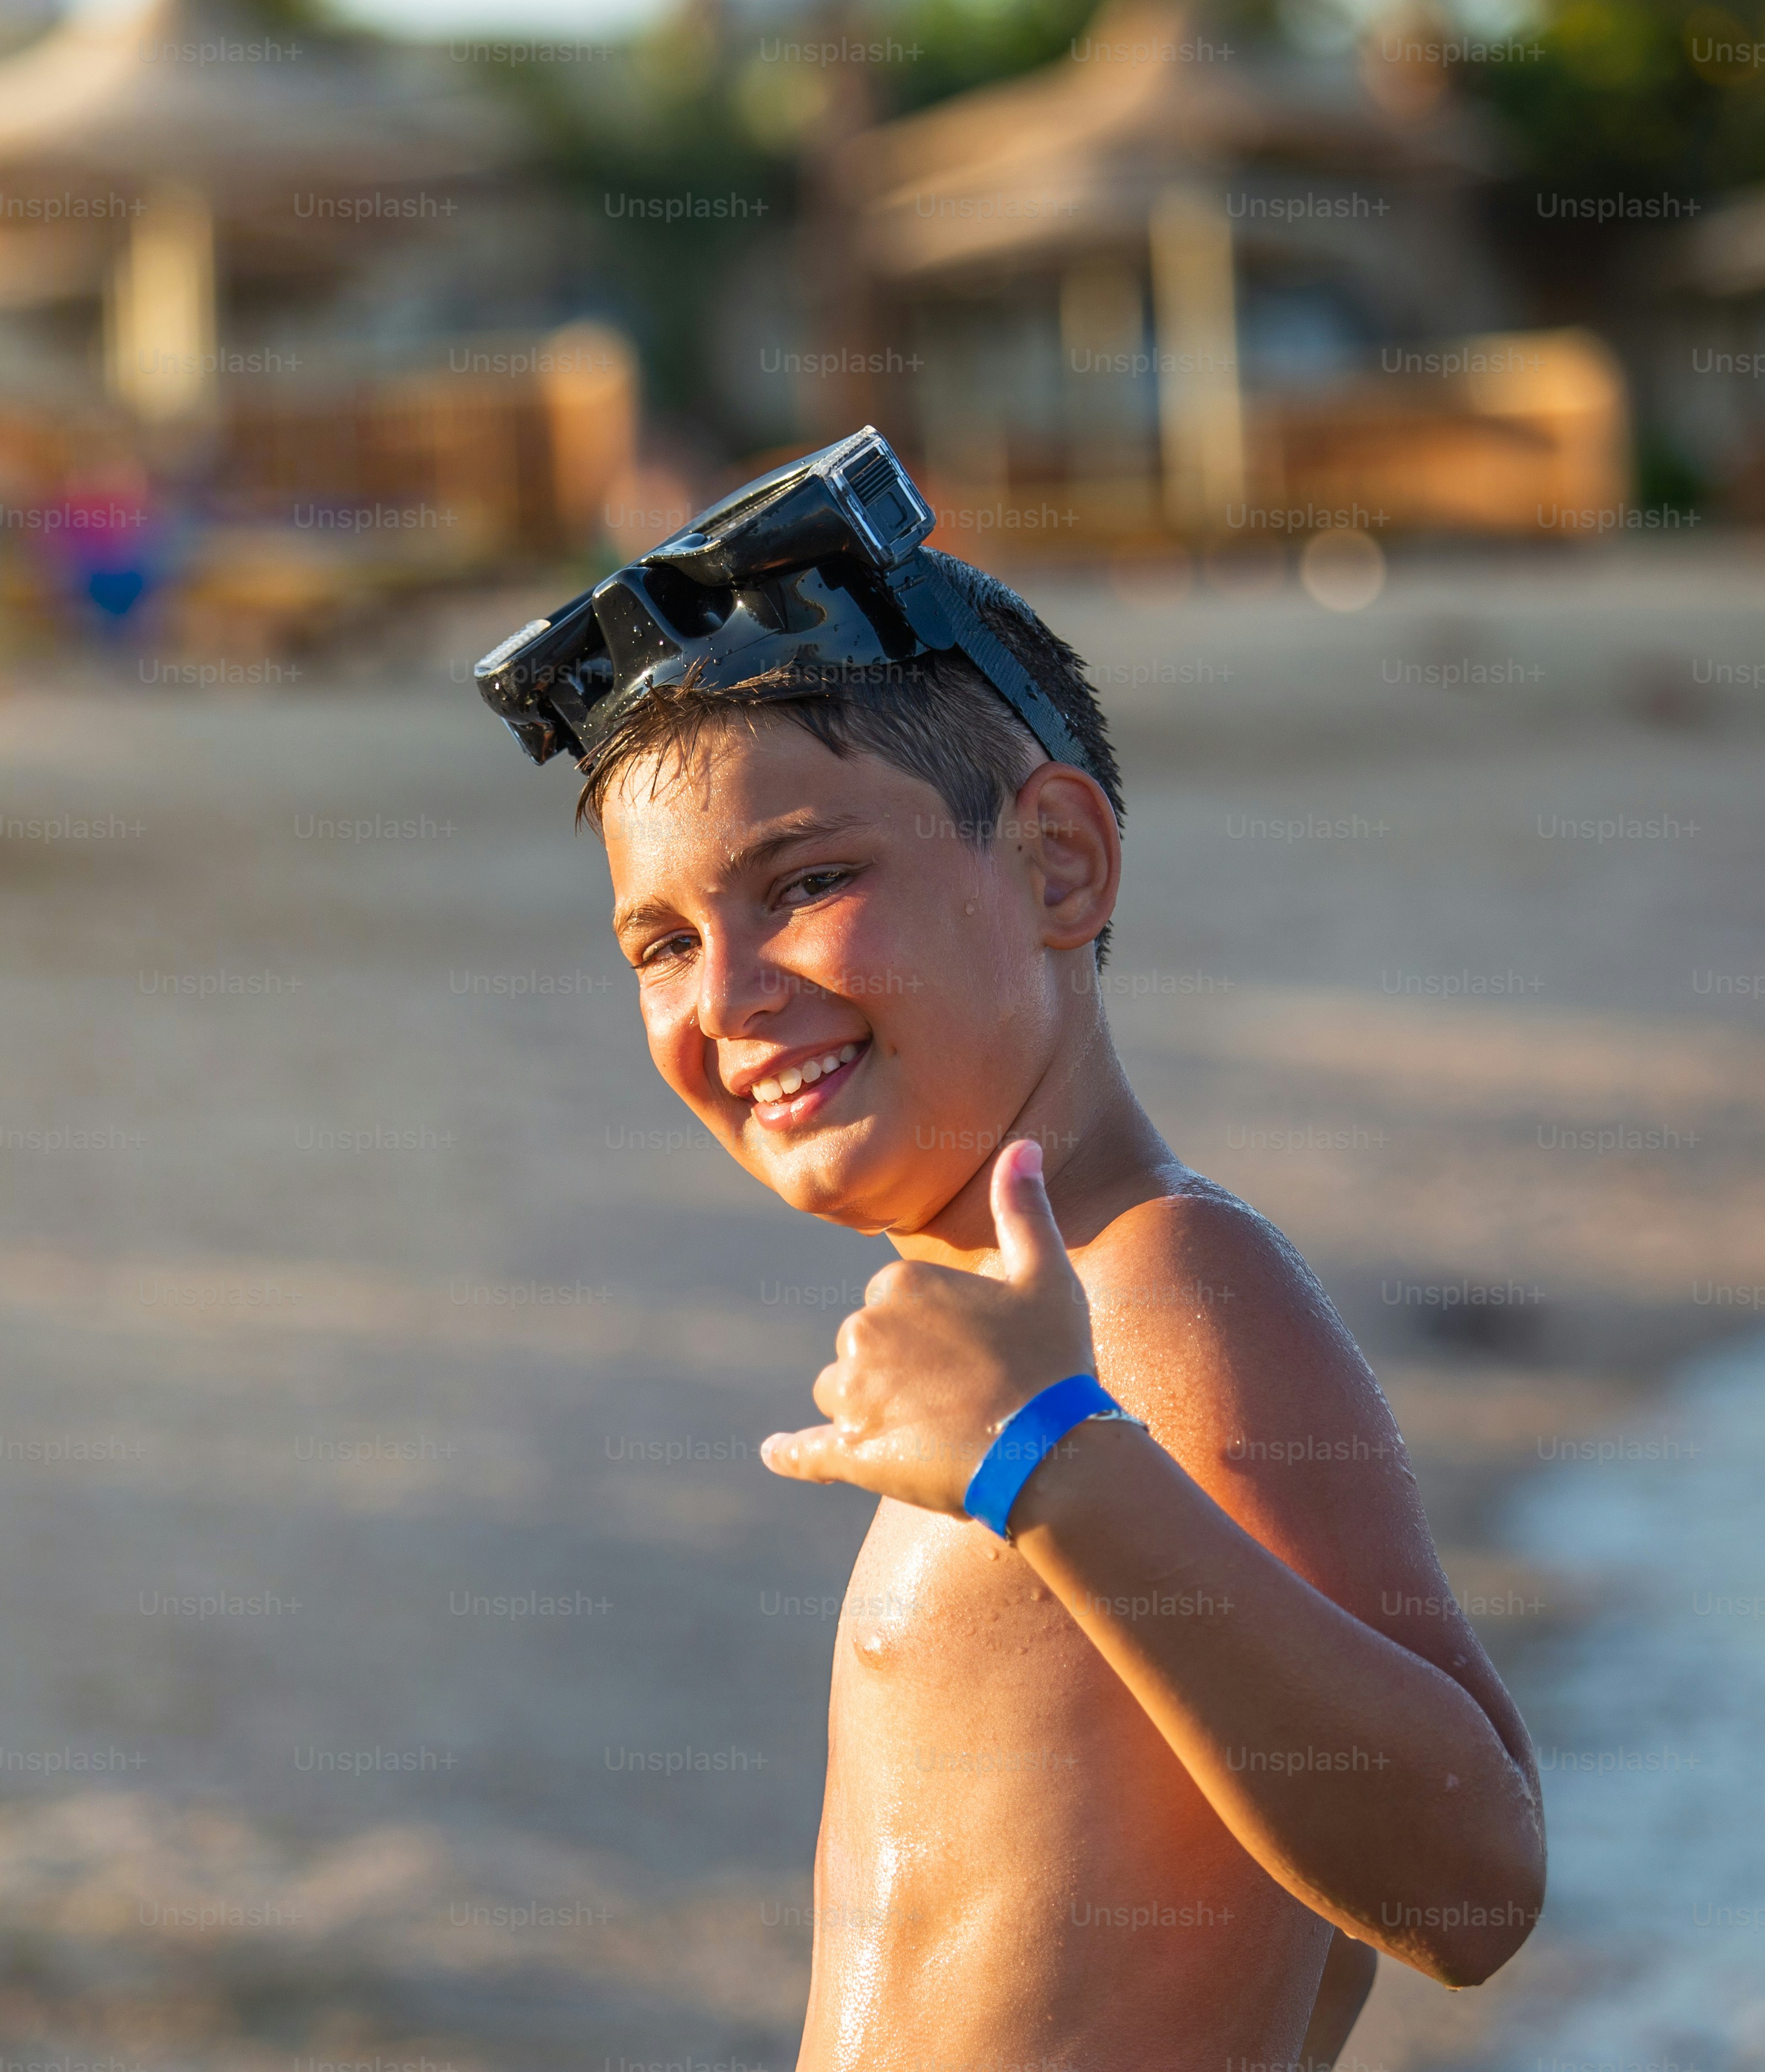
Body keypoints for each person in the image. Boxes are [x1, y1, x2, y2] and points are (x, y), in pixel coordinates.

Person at [474, 432, 1543, 2067]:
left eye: (811, 881)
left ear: (1058, 861)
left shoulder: (1164, 1286)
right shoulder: (1029, 1334)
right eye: (664, 943)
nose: (729, 996)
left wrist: (1052, 1460)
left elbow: (1472, 1885)